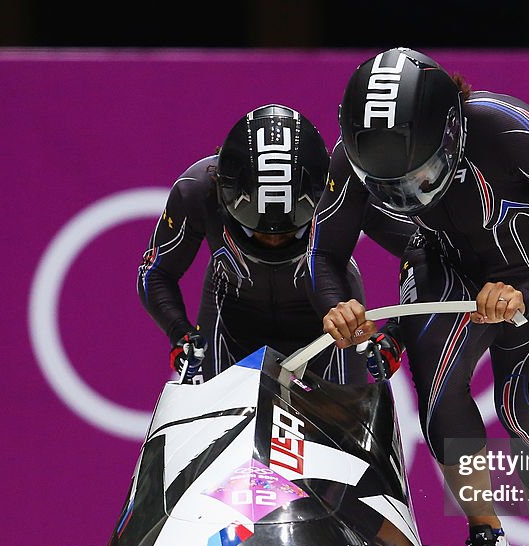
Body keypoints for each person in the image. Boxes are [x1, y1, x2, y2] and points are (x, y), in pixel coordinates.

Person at [307, 48, 529, 546]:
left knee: (528, 415)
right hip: (443, 273)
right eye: (387, 186)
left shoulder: (511, 134)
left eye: (419, 177)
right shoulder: (351, 159)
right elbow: (326, 255)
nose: (407, 195)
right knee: (439, 395)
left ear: (453, 132)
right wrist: (336, 308)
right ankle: (485, 532)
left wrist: (524, 291)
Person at [138, 103, 412, 385]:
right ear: (225, 194)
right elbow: (156, 272)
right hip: (232, 324)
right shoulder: (196, 190)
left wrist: (396, 336)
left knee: (342, 427)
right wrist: (179, 333)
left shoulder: (341, 186)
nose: (272, 241)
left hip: (329, 330)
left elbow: (428, 255)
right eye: (255, 231)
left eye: (290, 233)